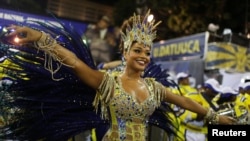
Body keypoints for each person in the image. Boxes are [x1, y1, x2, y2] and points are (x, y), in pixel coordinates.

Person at [3, 10, 235, 140]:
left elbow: (184, 100)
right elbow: (73, 62)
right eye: (137, 51)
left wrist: (216, 118)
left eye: (147, 52)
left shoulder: (154, 87)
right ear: (125, 52)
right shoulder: (107, 82)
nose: (144, 56)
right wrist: (41, 38)